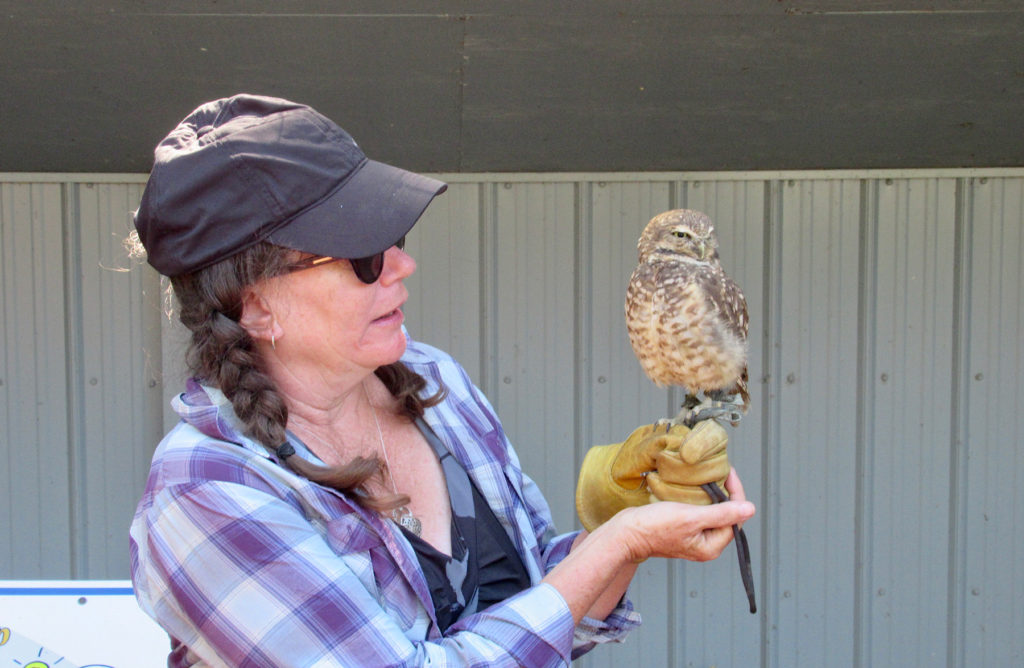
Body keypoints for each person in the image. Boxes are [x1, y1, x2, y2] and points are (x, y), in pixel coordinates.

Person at [127, 94, 755, 667]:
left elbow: (540, 614)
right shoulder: (206, 490)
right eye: (363, 255)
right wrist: (616, 545)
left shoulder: (433, 383)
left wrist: (623, 523)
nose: (403, 264)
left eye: (394, 235)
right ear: (255, 304)